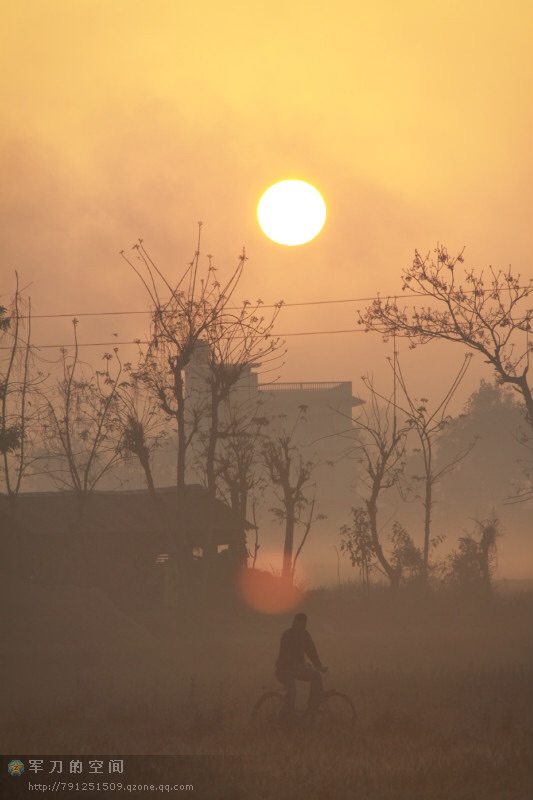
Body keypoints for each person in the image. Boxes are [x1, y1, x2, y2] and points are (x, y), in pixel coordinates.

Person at [275, 612, 327, 719]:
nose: (299, 626)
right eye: (297, 623)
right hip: (284, 670)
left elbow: (312, 652)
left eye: (302, 624)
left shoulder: (305, 635)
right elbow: (286, 655)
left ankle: (312, 707)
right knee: (292, 693)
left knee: (316, 676)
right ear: (293, 622)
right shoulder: (286, 635)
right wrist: (299, 665)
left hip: (298, 669)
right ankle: (282, 719)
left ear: (305, 625)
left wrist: (319, 665)